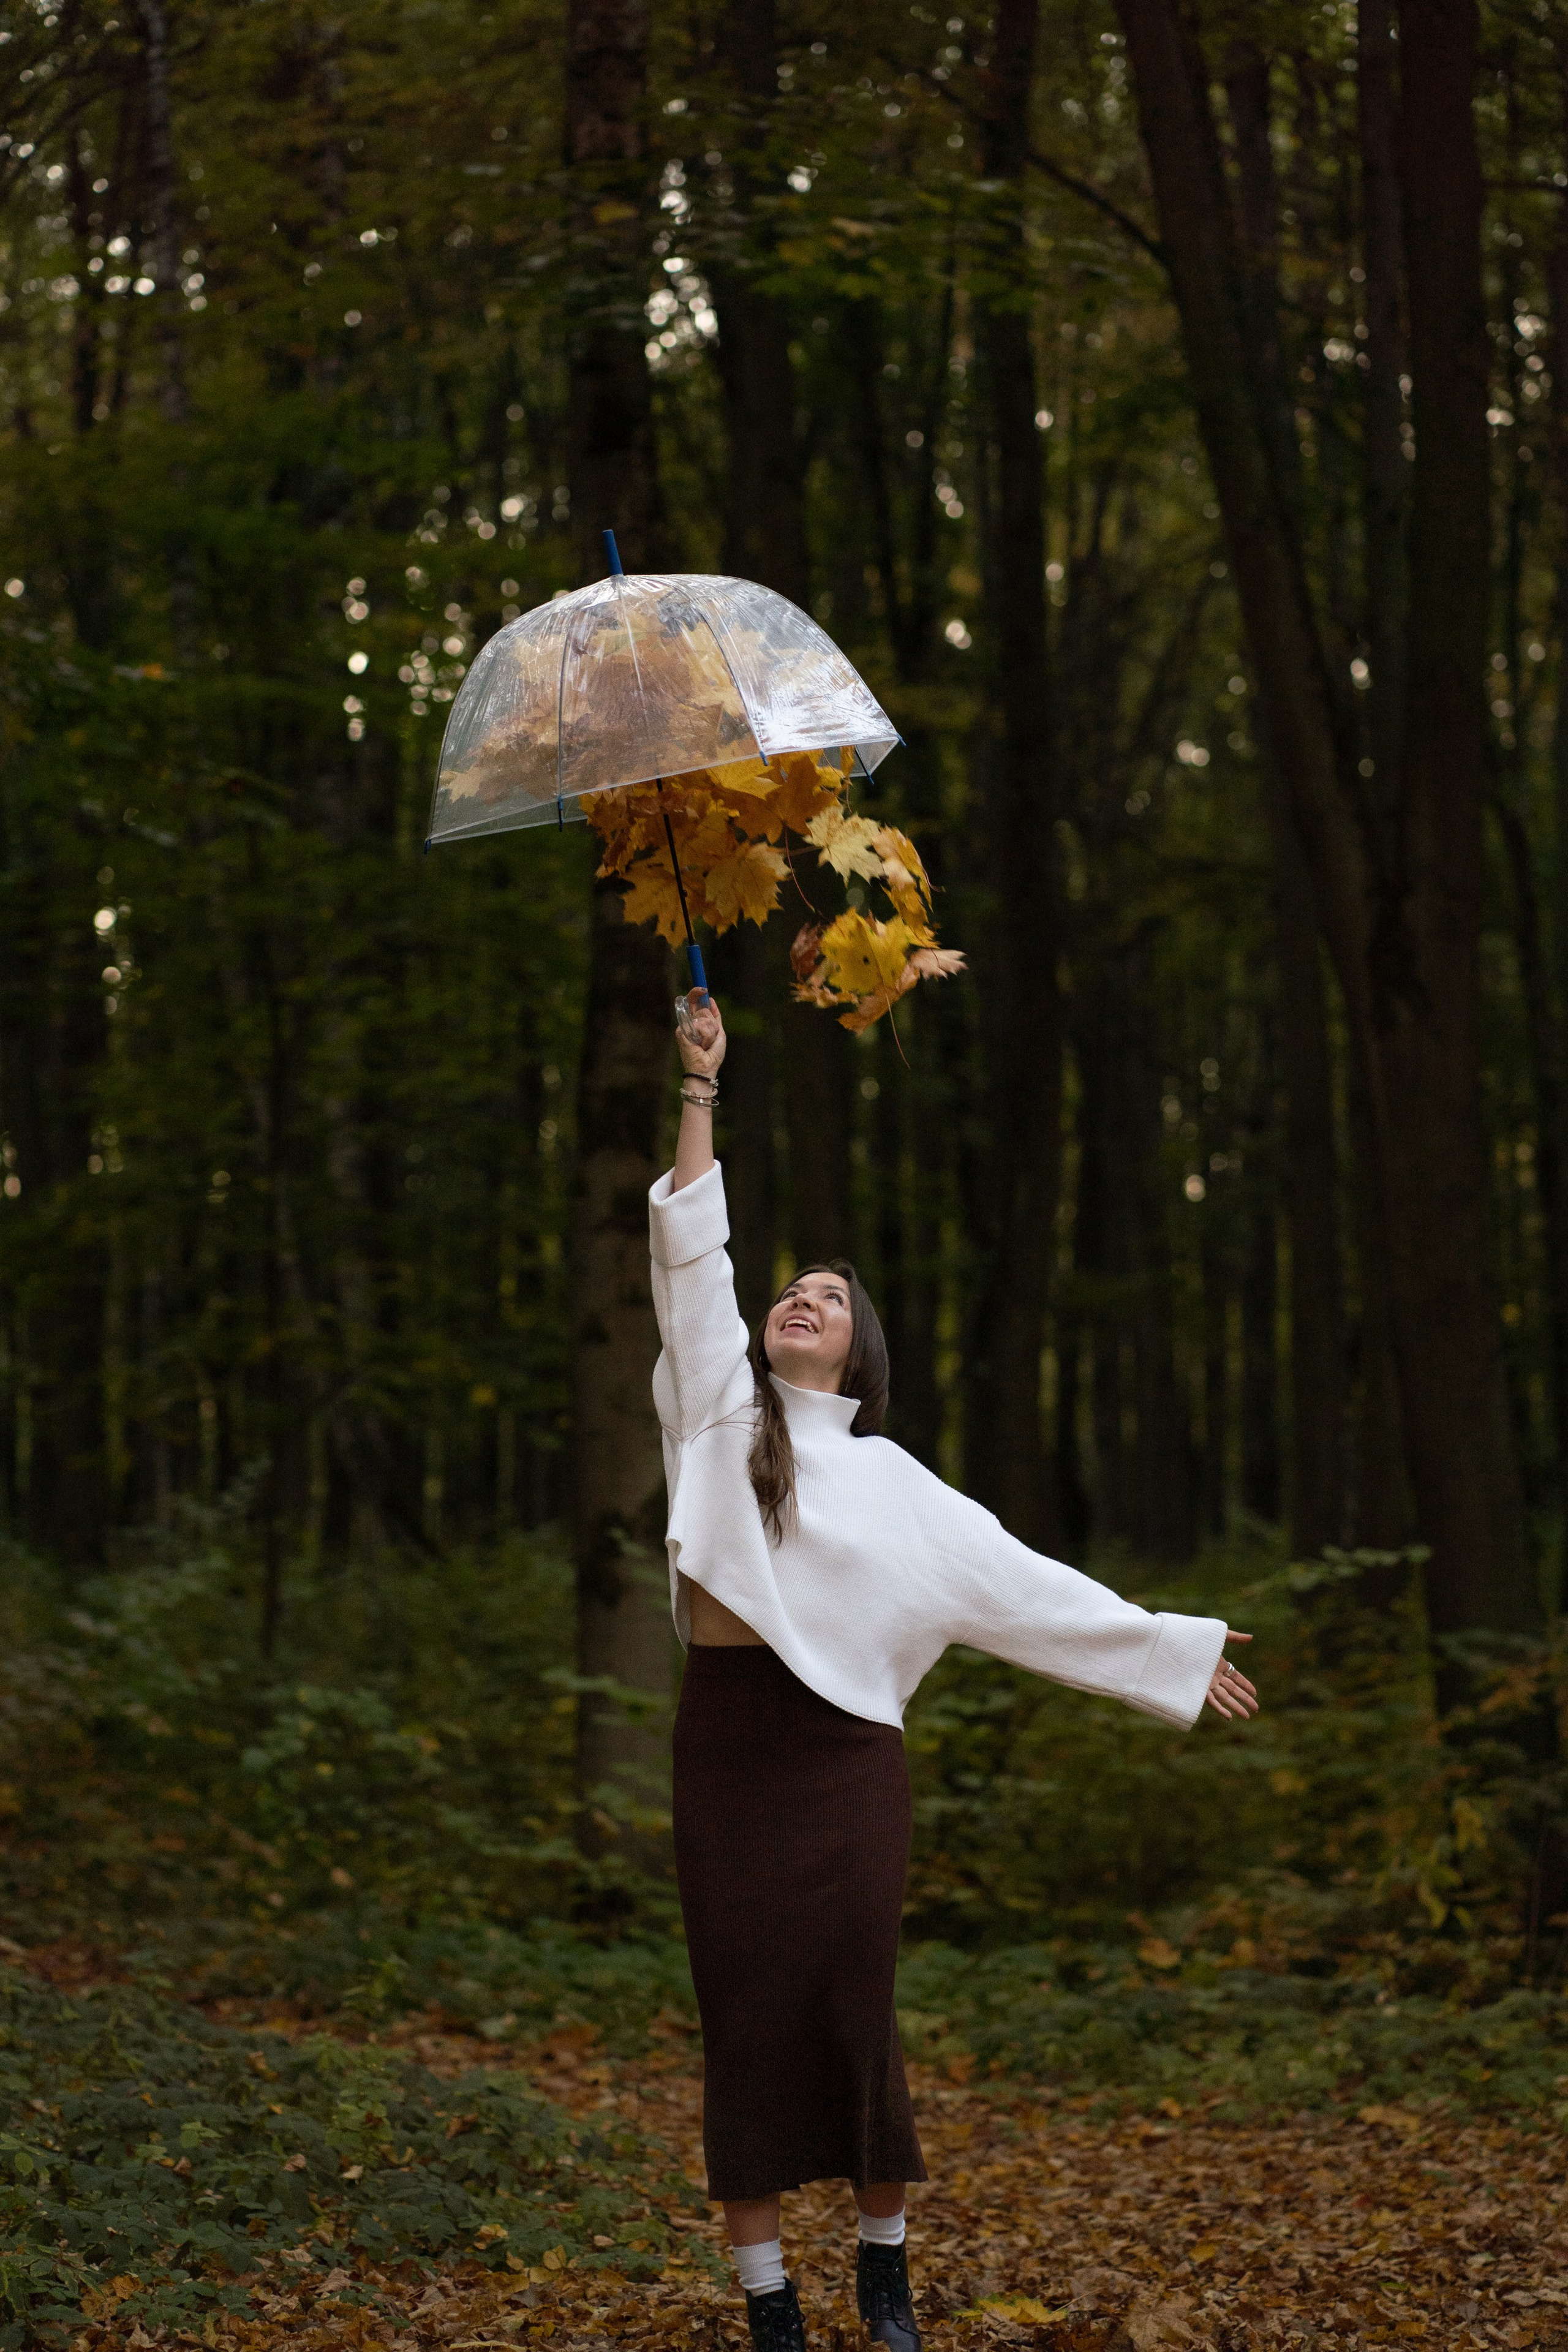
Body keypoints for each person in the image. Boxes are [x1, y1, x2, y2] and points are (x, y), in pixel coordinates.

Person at [650, 991, 1259, 2352]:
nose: (797, 1299)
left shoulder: (896, 1484)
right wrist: (699, 1087)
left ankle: (883, 2267)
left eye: (829, 1299)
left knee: (851, 2012)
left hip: (846, 1767)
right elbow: (691, 1263)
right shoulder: (713, 1414)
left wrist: (1169, 1648)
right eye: (790, 1288)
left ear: (859, 1354)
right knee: (741, 2015)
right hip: (729, 1751)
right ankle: (768, 2305)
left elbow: (1026, 1593)